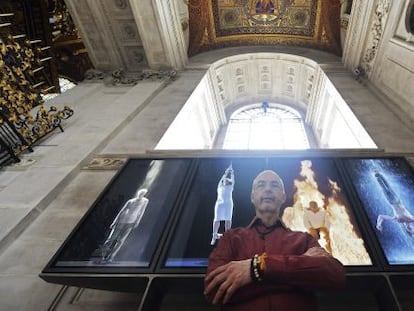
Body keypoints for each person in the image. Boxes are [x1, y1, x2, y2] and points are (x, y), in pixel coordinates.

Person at [204, 170, 345, 311]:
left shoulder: (304, 239)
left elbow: (335, 275)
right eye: (261, 185)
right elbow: (214, 289)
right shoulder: (230, 238)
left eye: (274, 185)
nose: (268, 189)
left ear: (283, 197)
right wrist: (299, 270)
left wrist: (257, 268)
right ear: (252, 197)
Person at [100, 188, 149, 262]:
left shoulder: (145, 201)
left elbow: (141, 212)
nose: (141, 195)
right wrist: (114, 222)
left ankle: (110, 257)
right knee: (111, 239)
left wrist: (137, 222)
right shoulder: (130, 201)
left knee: (120, 241)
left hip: (130, 223)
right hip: (122, 221)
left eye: (143, 194)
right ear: (138, 194)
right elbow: (122, 211)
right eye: (140, 194)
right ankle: (103, 255)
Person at [211, 164, 235, 245]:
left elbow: (233, 179)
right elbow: (222, 179)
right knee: (217, 219)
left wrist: (232, 172)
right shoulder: (219, 187)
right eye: (225, 180)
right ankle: (214, 235)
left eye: (228, 180)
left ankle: (227, 236)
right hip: (219, 203)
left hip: (228, 204)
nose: (226, 180)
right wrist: (226, 172)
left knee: (228, 220)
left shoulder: (230, 187)